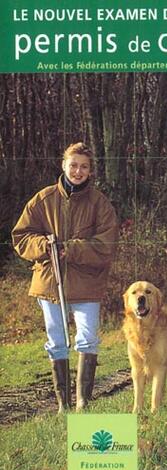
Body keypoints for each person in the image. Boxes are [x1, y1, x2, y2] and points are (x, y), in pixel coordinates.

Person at [12, 142, 119, 413]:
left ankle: (83, 401)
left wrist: (70, 249)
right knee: (57, 341)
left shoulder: (100, 203)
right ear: (63, 165)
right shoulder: (43, 199)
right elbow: (20, 237)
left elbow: (107, 245)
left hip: (88, 284)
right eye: (73, 165)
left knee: (87, 339)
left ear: (90, 170)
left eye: (84, 166)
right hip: (50, 283)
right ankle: (63, 405)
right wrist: (45, 246)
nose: (78, 171)